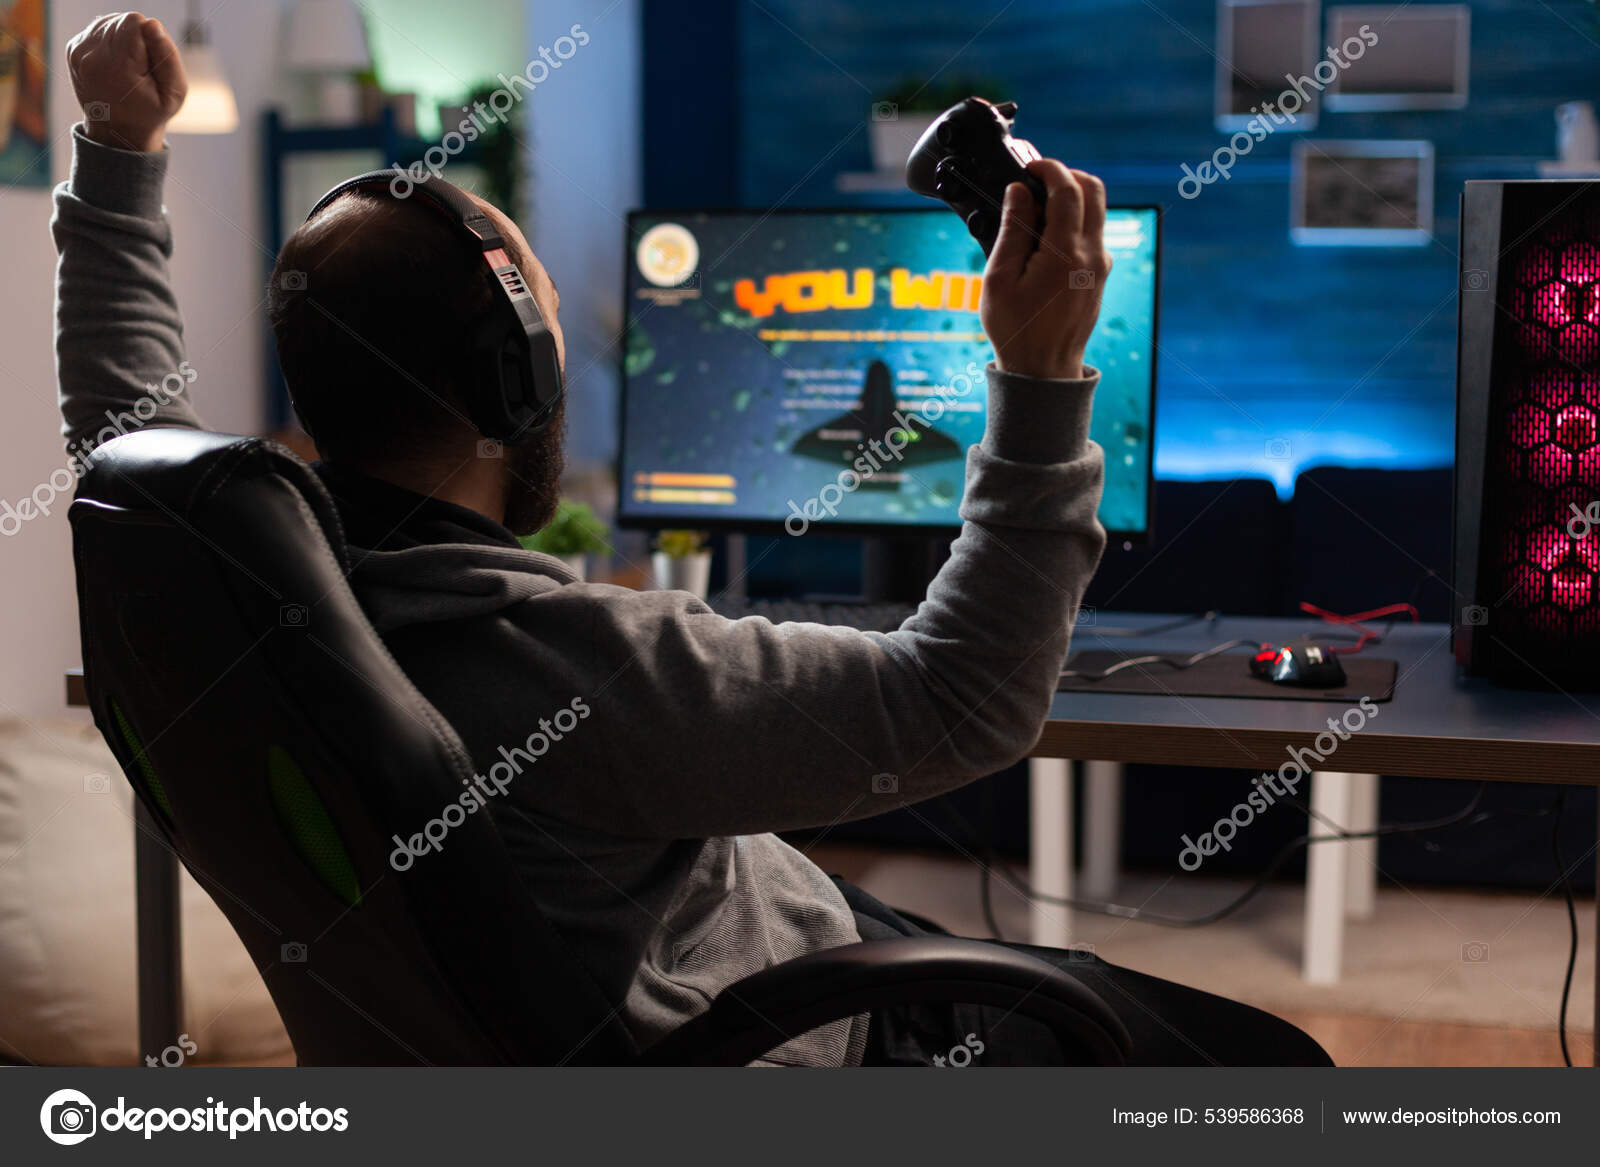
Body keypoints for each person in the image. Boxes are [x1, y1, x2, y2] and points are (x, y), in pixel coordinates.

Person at [55, 12, 1329, 1067]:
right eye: (548, 331)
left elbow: (122, 422)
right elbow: (966, 698)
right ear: (517, 392)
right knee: (1270, 1069)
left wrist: (119, 151)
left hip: (727, 972)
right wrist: (1043, 376)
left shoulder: (237, 598)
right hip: (799, 1040)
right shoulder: (577, 665)